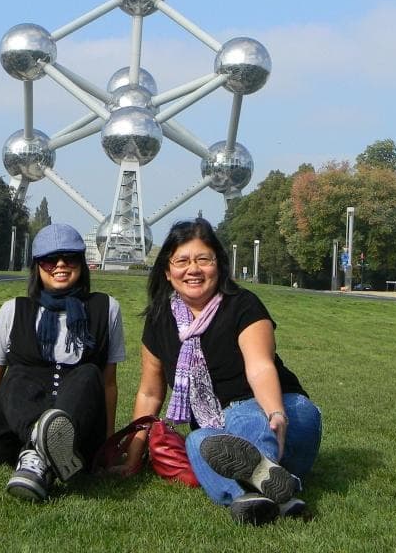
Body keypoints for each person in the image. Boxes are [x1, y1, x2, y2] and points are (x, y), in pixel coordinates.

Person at [122, 218, 322, 525]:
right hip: (215, 429)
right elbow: (149, 393)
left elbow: (259, 367)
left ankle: (257, 476)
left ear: (219, 265)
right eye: (182, 261)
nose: (193, 269)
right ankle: (275, 493)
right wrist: (133, 457)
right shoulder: (159, 321)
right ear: (167, 270)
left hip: (283, 413)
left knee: (245, 415)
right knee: (197, 442)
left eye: (204, 259)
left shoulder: (242, 305)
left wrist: (276, 414)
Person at [0, 223, 126, 501]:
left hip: (78, 436)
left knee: (89, 373)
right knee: (16, 376)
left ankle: (39, 459)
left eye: (70, 257)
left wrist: (107, 449)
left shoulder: (106, 309)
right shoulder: (13, 311)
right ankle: (41, 443)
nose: (61, 265)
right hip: (8, 436)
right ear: (37, 266)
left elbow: (108, 385)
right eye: (50, 259)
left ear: (82, 263)